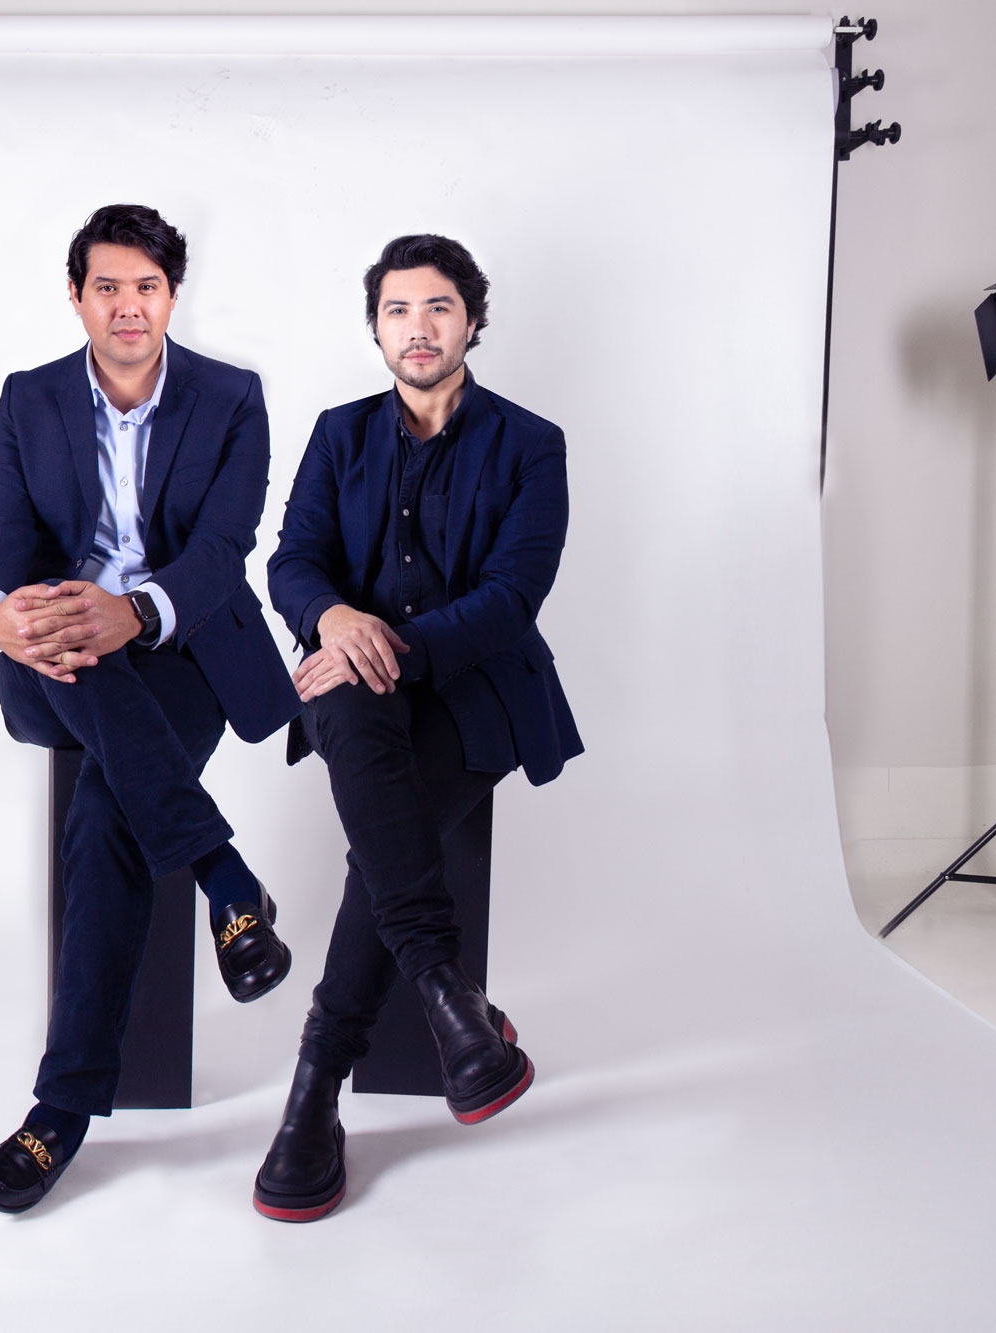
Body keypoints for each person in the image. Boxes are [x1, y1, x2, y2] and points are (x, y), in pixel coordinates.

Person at [0, 204, 300, 1213]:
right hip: (55, 656)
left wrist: (137, 611)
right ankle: (225, 876)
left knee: (109, 811)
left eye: (145, 287)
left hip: (182, 650)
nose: (127, 306)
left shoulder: (231, 398)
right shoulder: (27, 399)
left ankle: (58, 1112)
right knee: (65, 628)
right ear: (76, 297)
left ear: (171, 297)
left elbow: (222, 551)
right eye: (106, 286)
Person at [255, 234, 583, 1221]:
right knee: (350, 709)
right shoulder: (338, 432)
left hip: (477, 691)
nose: (418, 326)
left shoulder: (530, 442)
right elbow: (291, 561)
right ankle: (452, 1000)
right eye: (398, 309)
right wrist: (332, 617)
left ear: (471, 320)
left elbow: (512, 596)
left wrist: (381, 642)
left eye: (438, 306)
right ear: (376, 327)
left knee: (378, 854)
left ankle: (314, 1089)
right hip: (352, 685)